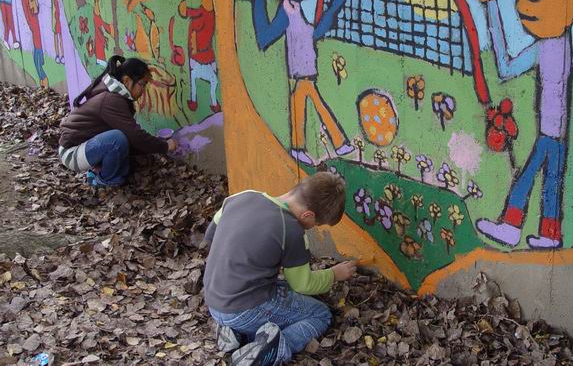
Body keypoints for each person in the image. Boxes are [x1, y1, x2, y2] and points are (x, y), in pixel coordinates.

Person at [472, 0, 573, 249]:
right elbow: (506, 68)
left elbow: (505, 67)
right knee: (551, 182)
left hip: (551, 133)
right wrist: (492, 5)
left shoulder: (551, 44)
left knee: (529, 179)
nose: (522, 5)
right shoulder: (556, 43)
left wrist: (491, 5)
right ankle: (548, 234)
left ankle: (513, 227)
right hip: (555, 133)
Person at [204, 172, 356, 365]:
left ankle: (236, 333)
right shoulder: (291, 229)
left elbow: (210, 237)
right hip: (242, 309)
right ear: (308, 215)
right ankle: (274, 350)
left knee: (284, 288)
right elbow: (303, 285)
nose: (313, 227)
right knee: (320, 314)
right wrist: (334, 274)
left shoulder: (240, 197)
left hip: (214, 300)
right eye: (317, 224)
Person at [248, 0, 356, 165]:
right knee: (315, 103)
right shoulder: (288, 9)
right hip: (301, 73)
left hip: (305, 73)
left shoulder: (298, 9)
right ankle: (338, 142)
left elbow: (320, 28)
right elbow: (264, 36)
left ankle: (302, 147)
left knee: (301, 103)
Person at [58, 55, 177, 186]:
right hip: (71, 153)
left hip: (82, 146)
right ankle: (104, 181)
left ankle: (99, 169)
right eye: (142, 85)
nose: (143, 91)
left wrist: (155, 143)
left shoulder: (114, 94)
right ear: (126, 80)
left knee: (122, 143)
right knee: (116, 139)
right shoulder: (112, 100)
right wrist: (165, 146)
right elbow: (134, 136)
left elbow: (132, 138)